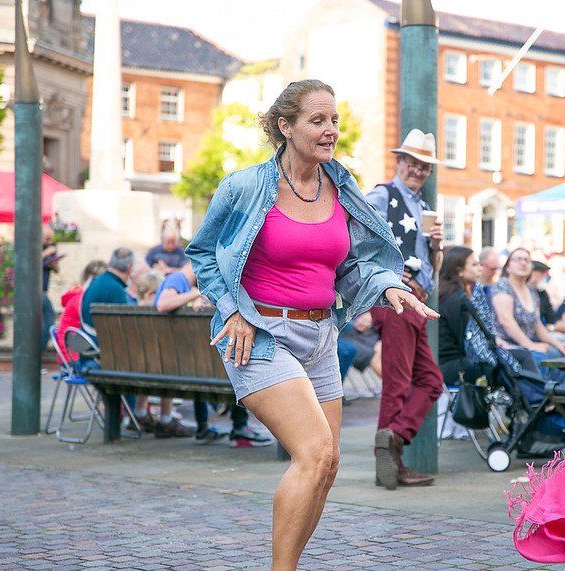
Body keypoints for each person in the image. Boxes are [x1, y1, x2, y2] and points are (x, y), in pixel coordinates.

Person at [186, 79, 434, 570]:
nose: (330, 131)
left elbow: (357, 263)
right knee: (316, 451)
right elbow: (204, 255)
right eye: (318, 121)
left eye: (334, 121)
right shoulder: (244, 187)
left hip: (321, 336)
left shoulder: (341, 188)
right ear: (286, 126)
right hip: (260, 336)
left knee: (328, 465)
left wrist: (389, 284)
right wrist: (232, 310)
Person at [365, 128, 445, 490]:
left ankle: (394, 438)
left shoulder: (425, 209)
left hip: (417, 299)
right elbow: (358, 235)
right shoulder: (383, 195)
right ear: (398, 162)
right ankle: (391, 461)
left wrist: (437, 248)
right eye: (412, 163)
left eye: (423, 166)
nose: (417, 170)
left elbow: (433, 269)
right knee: (398, 384)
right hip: (396, 296)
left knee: (430, 381)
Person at [153, 263, 271, 446]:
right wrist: (197, 293)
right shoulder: (178, 279)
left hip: (180, 364)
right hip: (193, 367)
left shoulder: (180, 282)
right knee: (234, 361)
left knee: (206, 365)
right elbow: (163, 304)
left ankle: (204, 427)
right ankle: (239, 427)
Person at [491, 249, 565, 379]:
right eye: (518, 259)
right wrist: (530, 345)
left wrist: (557, 343)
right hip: (506, 344)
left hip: (527, 343)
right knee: (541, 357)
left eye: (527, 260)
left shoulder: (531, 290)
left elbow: (537, 324)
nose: (523, 263)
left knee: (559, 354)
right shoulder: (502, 286)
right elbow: (506, 321)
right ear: (508, 267)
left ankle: (558, 396)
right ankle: (539, 396)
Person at [438, 246, 485, 387]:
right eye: (475, 264)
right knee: (519, 358)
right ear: (459, 271)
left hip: (450, 363)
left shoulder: (451, 293)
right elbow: (465, 340)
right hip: (451, 366)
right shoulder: (457, 299)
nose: (480, 269)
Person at [55, 259, 107, 364]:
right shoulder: (83, 300)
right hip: (76, 357)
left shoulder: (79, 297)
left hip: (71, 352)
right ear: (91, 279)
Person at [41, 224, 62, 349]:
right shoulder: (34, 247)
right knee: (48, 324)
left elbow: (57, 270)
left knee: (48, 324)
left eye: (50, 238)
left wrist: (53, 262)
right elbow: (30, 262)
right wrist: (45, 254)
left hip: (44, 291)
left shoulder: (50, 248)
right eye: (46, 238)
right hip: (34, 292)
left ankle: (38, 351)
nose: (49, 241)